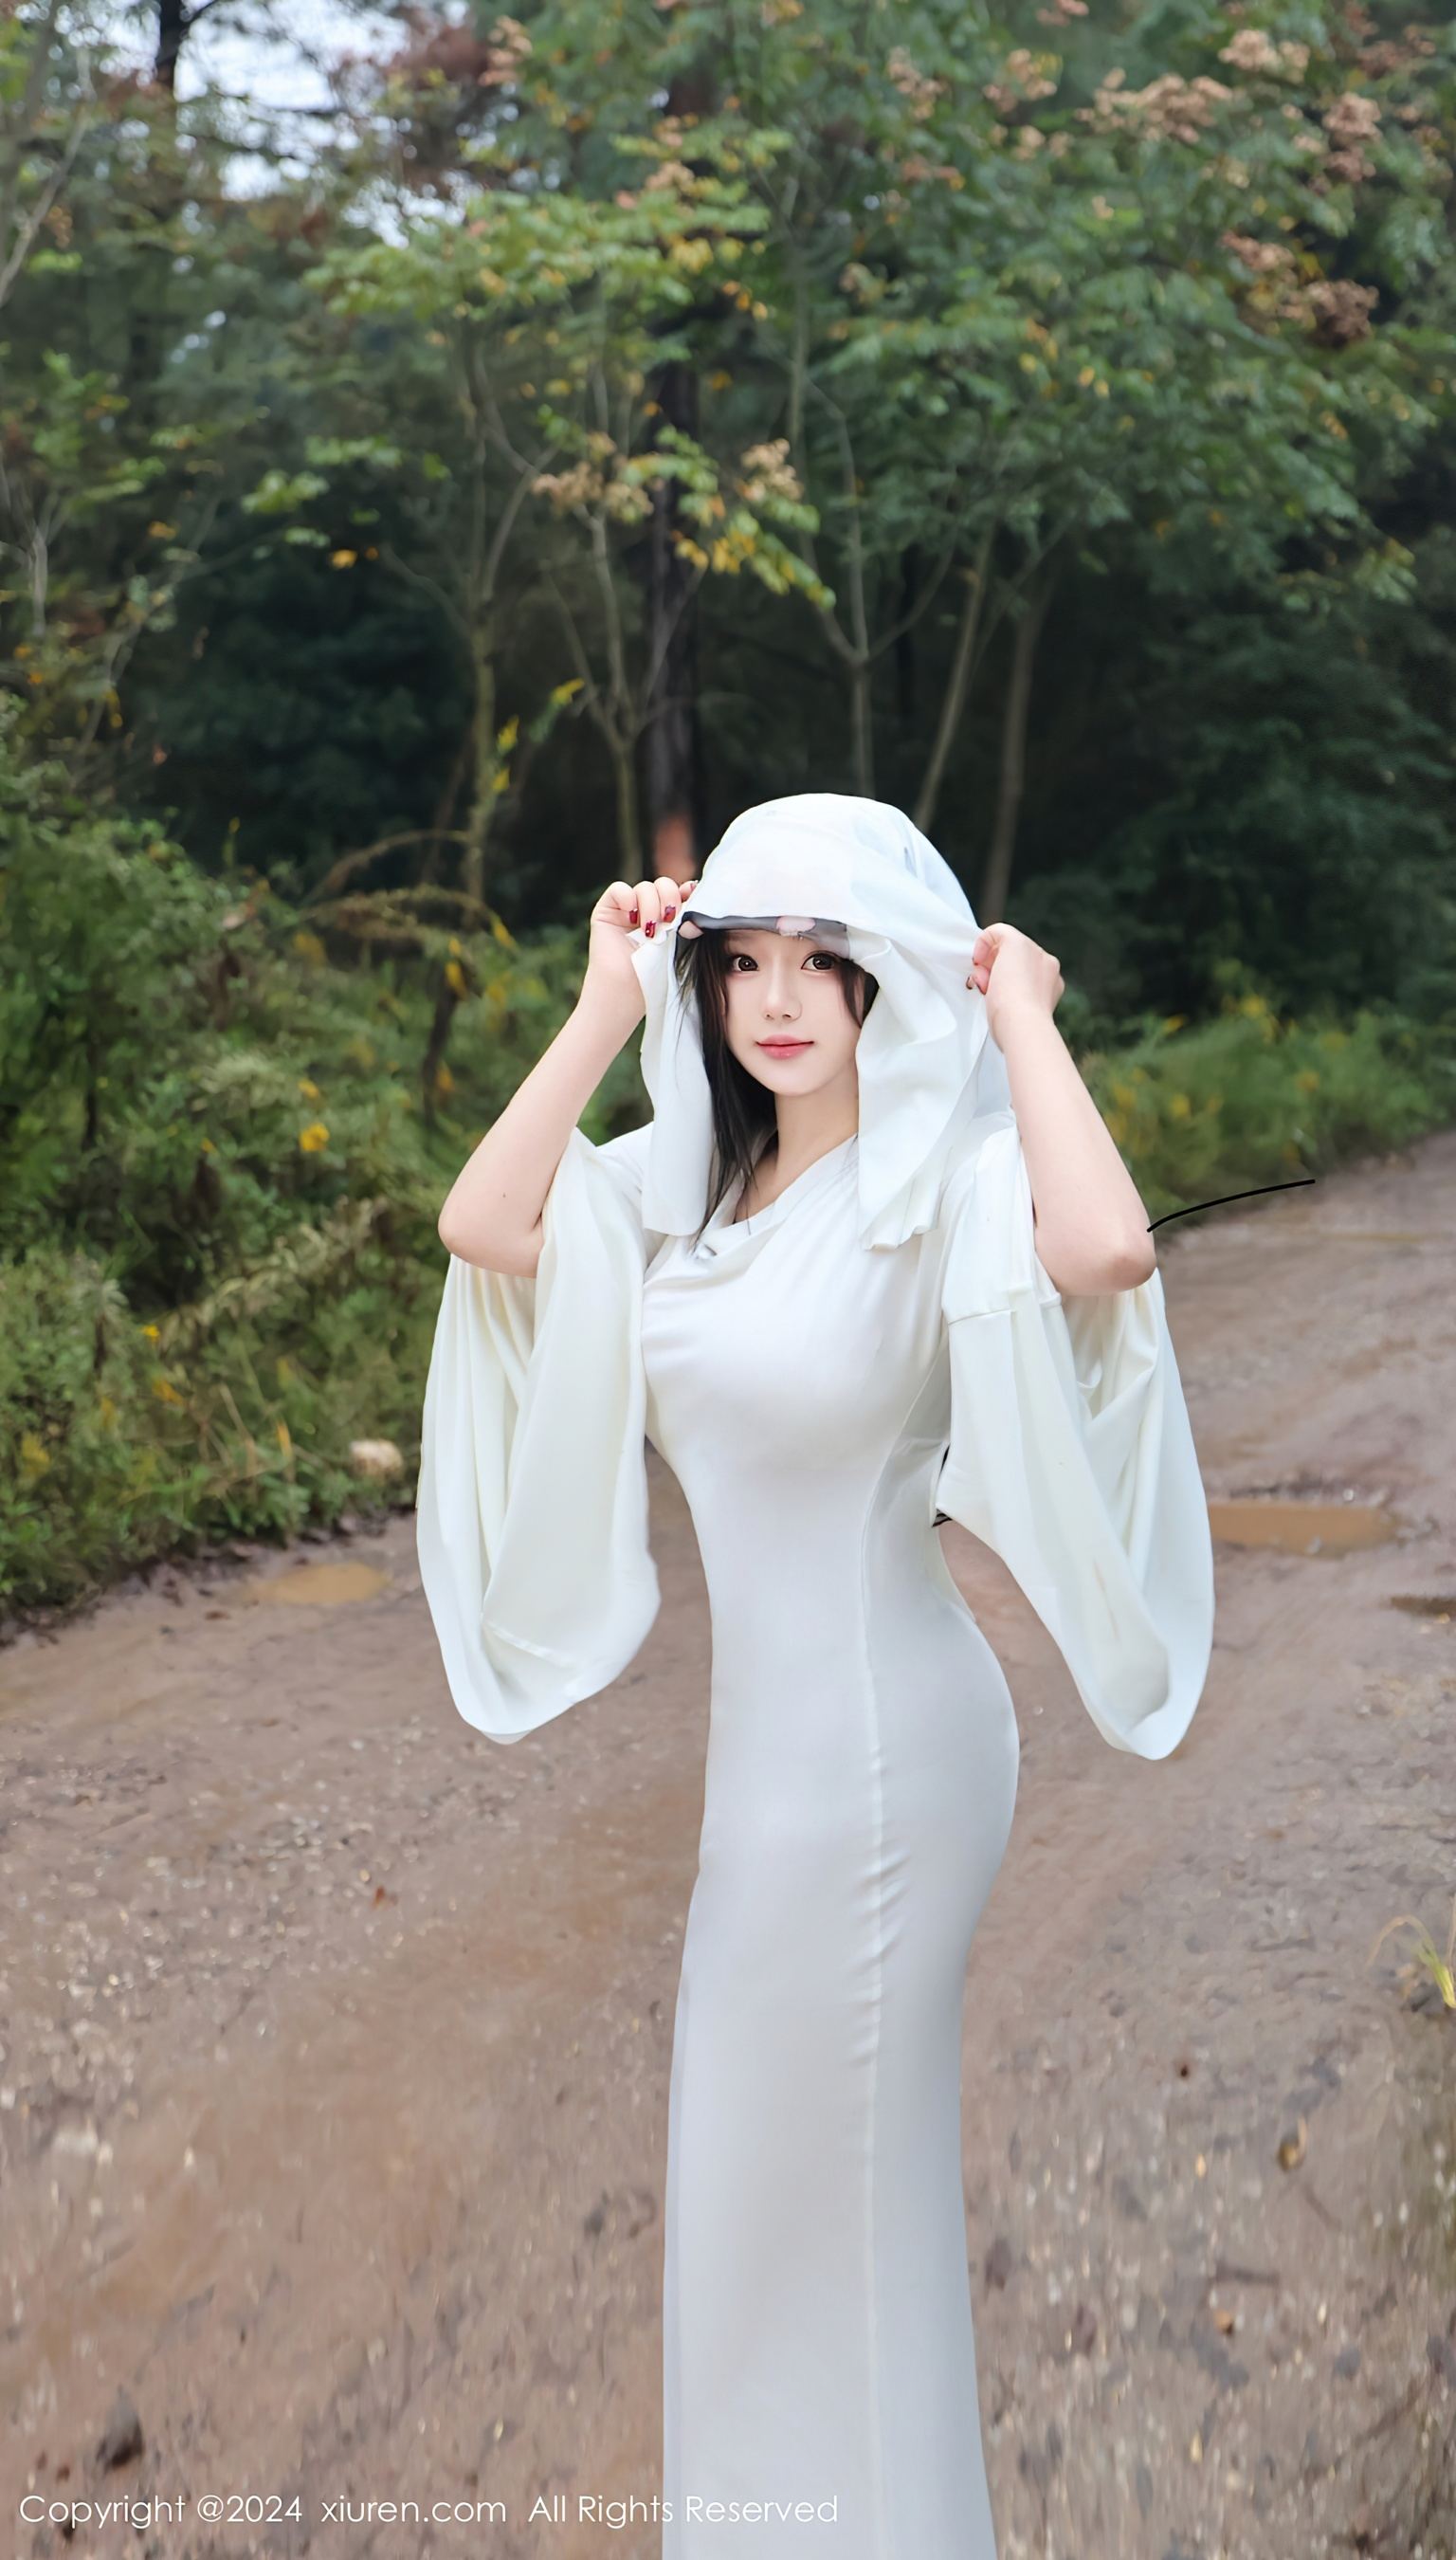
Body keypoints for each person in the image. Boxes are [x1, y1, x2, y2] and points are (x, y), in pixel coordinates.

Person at [416, 793, 1215, 2558]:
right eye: (746, 964)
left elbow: (1109, 1251)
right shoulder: (685, 1200)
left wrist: (1023, 1016)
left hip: (885, 1761)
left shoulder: (940, 1189)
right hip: (766, 1779)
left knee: (823, 2208)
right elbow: (483, 1222)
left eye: (821, 964)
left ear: (880, 989)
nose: (779, 1000)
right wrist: (602, 1009)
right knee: (757, 2211)